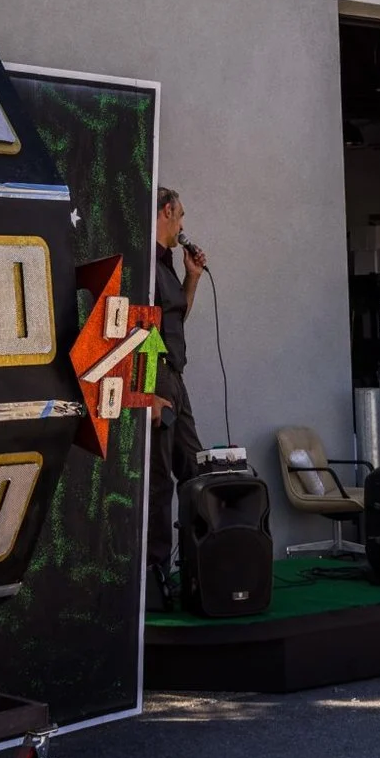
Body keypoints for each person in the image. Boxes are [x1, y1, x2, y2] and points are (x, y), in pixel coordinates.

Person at [145, 187, 206, 608]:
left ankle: (202, 565)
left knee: (195, 468)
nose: (183, 225)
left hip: (176, 377)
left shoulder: (167, 264)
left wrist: (193, 278)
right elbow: (138, 332)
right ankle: (155, 576)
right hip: (157, 378)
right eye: (181, 215)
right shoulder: (143, 262)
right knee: (159, 480)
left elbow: (174, 317)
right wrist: (146, 393)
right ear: (167, 211)